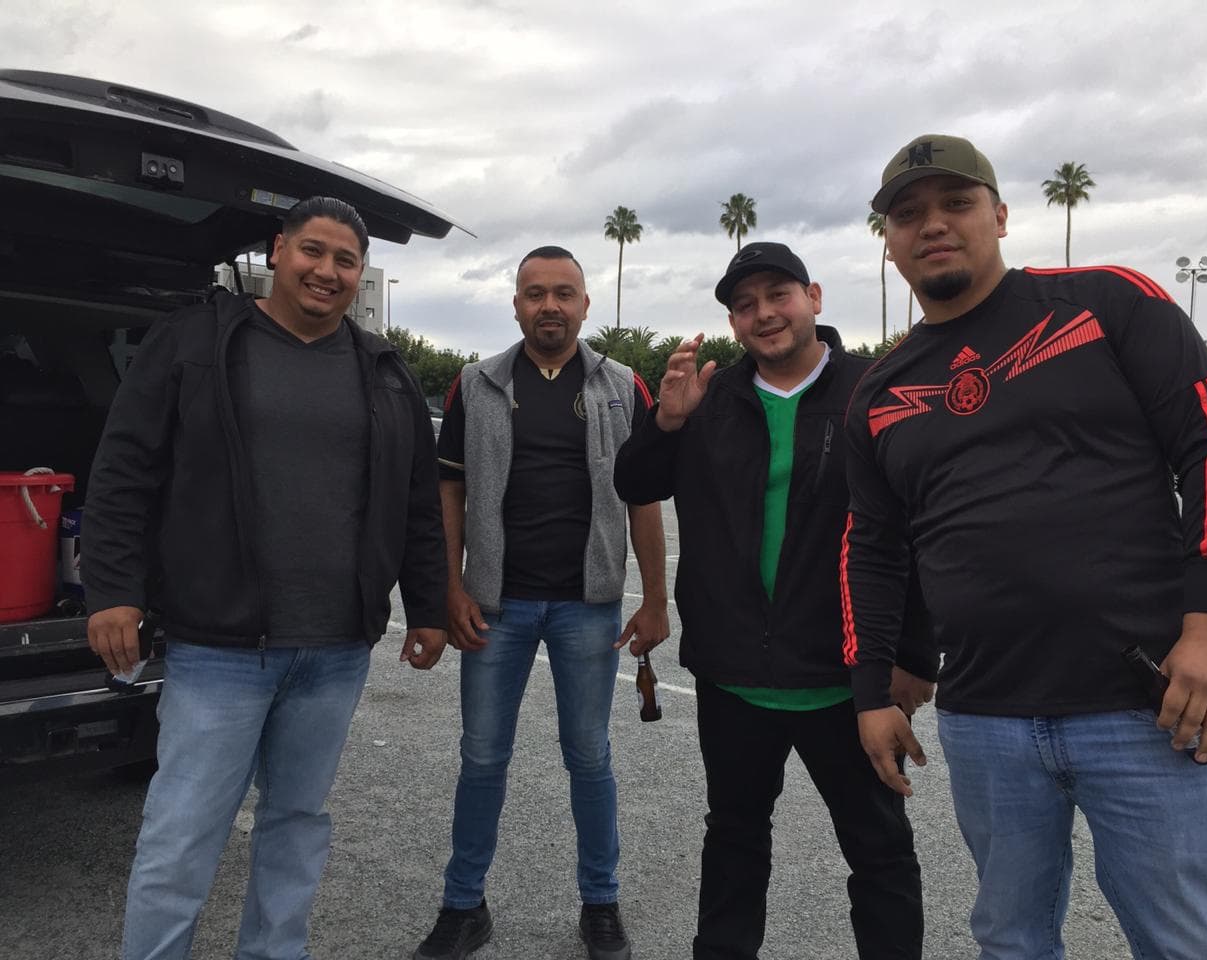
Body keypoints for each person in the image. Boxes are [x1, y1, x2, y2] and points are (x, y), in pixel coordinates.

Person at [843, 135, 1207, 960]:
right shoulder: (881, 393)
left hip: (1143, 707)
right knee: (1012, 941)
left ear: (999, 214)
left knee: (1188, 944)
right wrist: (871, 690)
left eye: (956, 204)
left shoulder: (1106, 303)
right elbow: (877, 549)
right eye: (908, 215)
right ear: (888, 244)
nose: (933, 226)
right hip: (985, 718)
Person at [82, 196, 448, 960]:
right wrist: (113, 589)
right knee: (182, 835)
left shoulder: (382, 370)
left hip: (336, 650)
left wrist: (429, 607)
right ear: (278, 251)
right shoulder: (197, 342)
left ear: (359, 275)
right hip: (219, 651)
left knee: (296, 826)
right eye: (314, 251)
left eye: (346, 260)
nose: (328, 271)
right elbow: (124, 471)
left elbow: (415, 503)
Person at [613, 241, 931, 960]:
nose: (764, 313)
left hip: (848, 680)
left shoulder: (872, 390)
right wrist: (665, 422)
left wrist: (913, 654)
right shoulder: (711, 399)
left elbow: (918, 528)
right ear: (732, 323)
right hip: (734, 677)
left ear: (814, 297)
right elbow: (634, 483)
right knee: (733, 840)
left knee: (880, 853)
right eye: (744, 304)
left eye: (777, 294)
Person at [416, 245, 668, 960]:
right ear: (517, 304)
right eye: (535, 293)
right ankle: (463, 906)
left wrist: (655, 599)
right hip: (496, 607)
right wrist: (451, 585)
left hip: (587, 606)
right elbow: (451, 493)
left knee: (590, 758)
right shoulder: (477, 384)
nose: (549, 305)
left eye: (564, 293)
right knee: (482, 758)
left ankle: (601, 903)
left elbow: (644, 498)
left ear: (586, 305)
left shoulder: (624, 388)